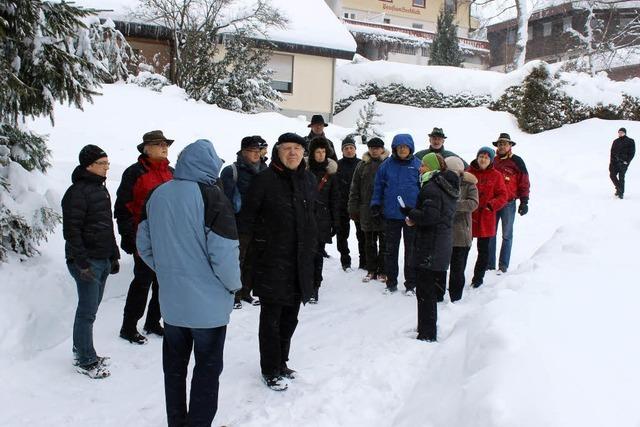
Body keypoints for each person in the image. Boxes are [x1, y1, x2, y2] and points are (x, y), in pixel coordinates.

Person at [136, 139, 241, 427]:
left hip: (172, 304)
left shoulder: (158, 193)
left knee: (174, 370)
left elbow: (143, 243)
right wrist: (233, 286)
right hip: (208, 308)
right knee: (206, 370)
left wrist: (169, 271)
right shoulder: (212, 196)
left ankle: (176, 422)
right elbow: (224, 253)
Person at [239, 132, 318, 391]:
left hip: (299, 263)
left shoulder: (308, 179)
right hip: (271, 262)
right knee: (271, 319)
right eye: (287, 148)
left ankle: (282, 361)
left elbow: (312, 219)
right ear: (277, 152)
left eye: (297, 148)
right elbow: (247, 223)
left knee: (290, 317)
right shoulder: (263, 180)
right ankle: (270, 368)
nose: (292, 153)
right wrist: (246, 265)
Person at [62, 144, 120, 379]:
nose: (107, 167)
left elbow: (107, 226)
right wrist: (82, 262)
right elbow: (72, 231)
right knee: (86, 312)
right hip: (86, 262)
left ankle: (84, 350)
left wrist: (113, 255)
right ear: (89, 165)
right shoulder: (77, 192)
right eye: (102, 163)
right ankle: (84, 359)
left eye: (107, 163)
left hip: (102, 258)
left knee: (91, 310)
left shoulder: (101, 189)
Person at [114, 130, 174, 344]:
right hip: (144, 239)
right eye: (159, 144)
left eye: (166, 143)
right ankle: (128, 327)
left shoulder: (172, 172)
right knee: (142, 283)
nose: (164, 147)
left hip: (168, 241)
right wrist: (128, 235)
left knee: (163, 284)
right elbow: (123, 206)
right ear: (146, 148)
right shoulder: (135, 172)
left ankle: (152, 322)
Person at [401, 153, 459, 341]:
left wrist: (410, 212)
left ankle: (426, 334)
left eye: (424, 166)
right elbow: (434, 215)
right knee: (428, 292)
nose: (420, 168)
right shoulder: (442, 186)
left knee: (425, 292)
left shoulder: (432, 188)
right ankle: (426, 328)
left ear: (432, 168)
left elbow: (430, 217)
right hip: (438, 244)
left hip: (430, 247)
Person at [220, 135, 268, 309]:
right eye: (251, 151)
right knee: (236, 261)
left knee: (252, 261)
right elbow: (224, 201)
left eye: (258, 151)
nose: (256, 154)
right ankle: (234, 295)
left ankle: (246, 292)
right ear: (242, 152)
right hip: (238, 225)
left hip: (259, 224)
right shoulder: (231, 171)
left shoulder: (264, 169)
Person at [371, 134, 421, 294]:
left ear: (410, 148)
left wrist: (421, 210)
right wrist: (376, 204)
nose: (402, 150)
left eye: (405, 147)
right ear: (394, 148)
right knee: (390, 251)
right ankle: (391, 283)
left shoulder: (419, 165)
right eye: (399, 147)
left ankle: (411, 284)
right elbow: (378, 187)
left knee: (411, 251)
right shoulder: (386, 165)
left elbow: (424, 189)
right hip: (391, 214)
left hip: (411, 216)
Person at [488, 133, 530, 273]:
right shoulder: (491, 161)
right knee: (490, 233)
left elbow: (524, 182)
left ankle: (503, 265)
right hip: (492, 203)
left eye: (505, 143)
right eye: (500, 143)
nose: (502, 146)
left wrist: (524, 201)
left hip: (508, 203)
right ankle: (489, 265)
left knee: (507, 235)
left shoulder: (517, 161)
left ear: (510, 145)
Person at [349, 137, 389, 283]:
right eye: (372, 148)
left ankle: (383, 270)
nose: (374, 150)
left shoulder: (388, 164)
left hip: (385, 210)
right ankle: (371, 270)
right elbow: (354, 188)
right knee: (369, 242)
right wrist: (353, 207)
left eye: (377, 148)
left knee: (384, 243)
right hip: (366, 209)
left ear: (382, 149)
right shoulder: (362, 165)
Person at [467, 147, 507, 288]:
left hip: (486, 218)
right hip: (469, 217)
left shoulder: (496, 175)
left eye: (486, 157)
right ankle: (457, 277)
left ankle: (478, 279)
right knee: (462, 249)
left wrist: (491, 205)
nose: (483, 159)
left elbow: (503, 195)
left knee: (483, 251)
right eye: (481, 156)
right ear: (477, 158)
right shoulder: (468, 172)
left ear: (490, 160)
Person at [307, 137, 340, 303]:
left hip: (322, 219)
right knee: (305, 253)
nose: (320, 155)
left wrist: (335, 221)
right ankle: (305, 284)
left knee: (317, 254)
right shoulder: (303, 171)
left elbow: (335, 199)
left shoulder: (331, 174)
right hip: (305, 218)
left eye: (323, 152)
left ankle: (315, 286)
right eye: (317, 152)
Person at [445, 156, 479, 302]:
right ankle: (439, 294)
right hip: (444, 233)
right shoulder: (441, 182)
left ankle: (456, 298)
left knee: (458, 269)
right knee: (440, 268)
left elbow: (473, 203)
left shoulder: (469, 184)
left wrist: (453, 205)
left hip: (461, 234)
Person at [336, 135, 365, 271]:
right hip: (342, 205)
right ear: (342, 150)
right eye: (346, 148)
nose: (349, 150)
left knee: (362, 234)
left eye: (351, 148)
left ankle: (363, 261)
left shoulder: (361, 164)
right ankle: (345, 261)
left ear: (355, 149)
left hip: (358, 205)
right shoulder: (337, 165)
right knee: (342, 234)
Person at [609, 127, 635, 199]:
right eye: (619, 132)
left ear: (625, 133)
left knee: (621, 177)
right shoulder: (615, 141)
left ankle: (621, 193)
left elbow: (632, 152)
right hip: (615, 162)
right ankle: (619, 188)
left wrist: (627, 161)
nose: (620, 133)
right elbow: (612, 152)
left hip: (624, 163)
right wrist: (611, 163)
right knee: (612, 175)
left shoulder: (630, 141)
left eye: (622, 132)